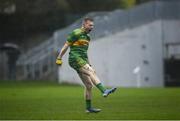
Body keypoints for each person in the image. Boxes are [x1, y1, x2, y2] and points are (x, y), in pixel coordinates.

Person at [56, 17, 117, 113]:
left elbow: (85, 52)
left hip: (82, 60)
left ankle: (88, 108)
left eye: (93, 25)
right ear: (84, 25)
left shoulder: (88, 37)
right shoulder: (76, 33)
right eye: (90, 25)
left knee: (89, 85)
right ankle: (104, 91)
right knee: (91, 72)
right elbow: (66, 45)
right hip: (74, 59)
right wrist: (59, 58)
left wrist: (89, 64)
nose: (92, 27)